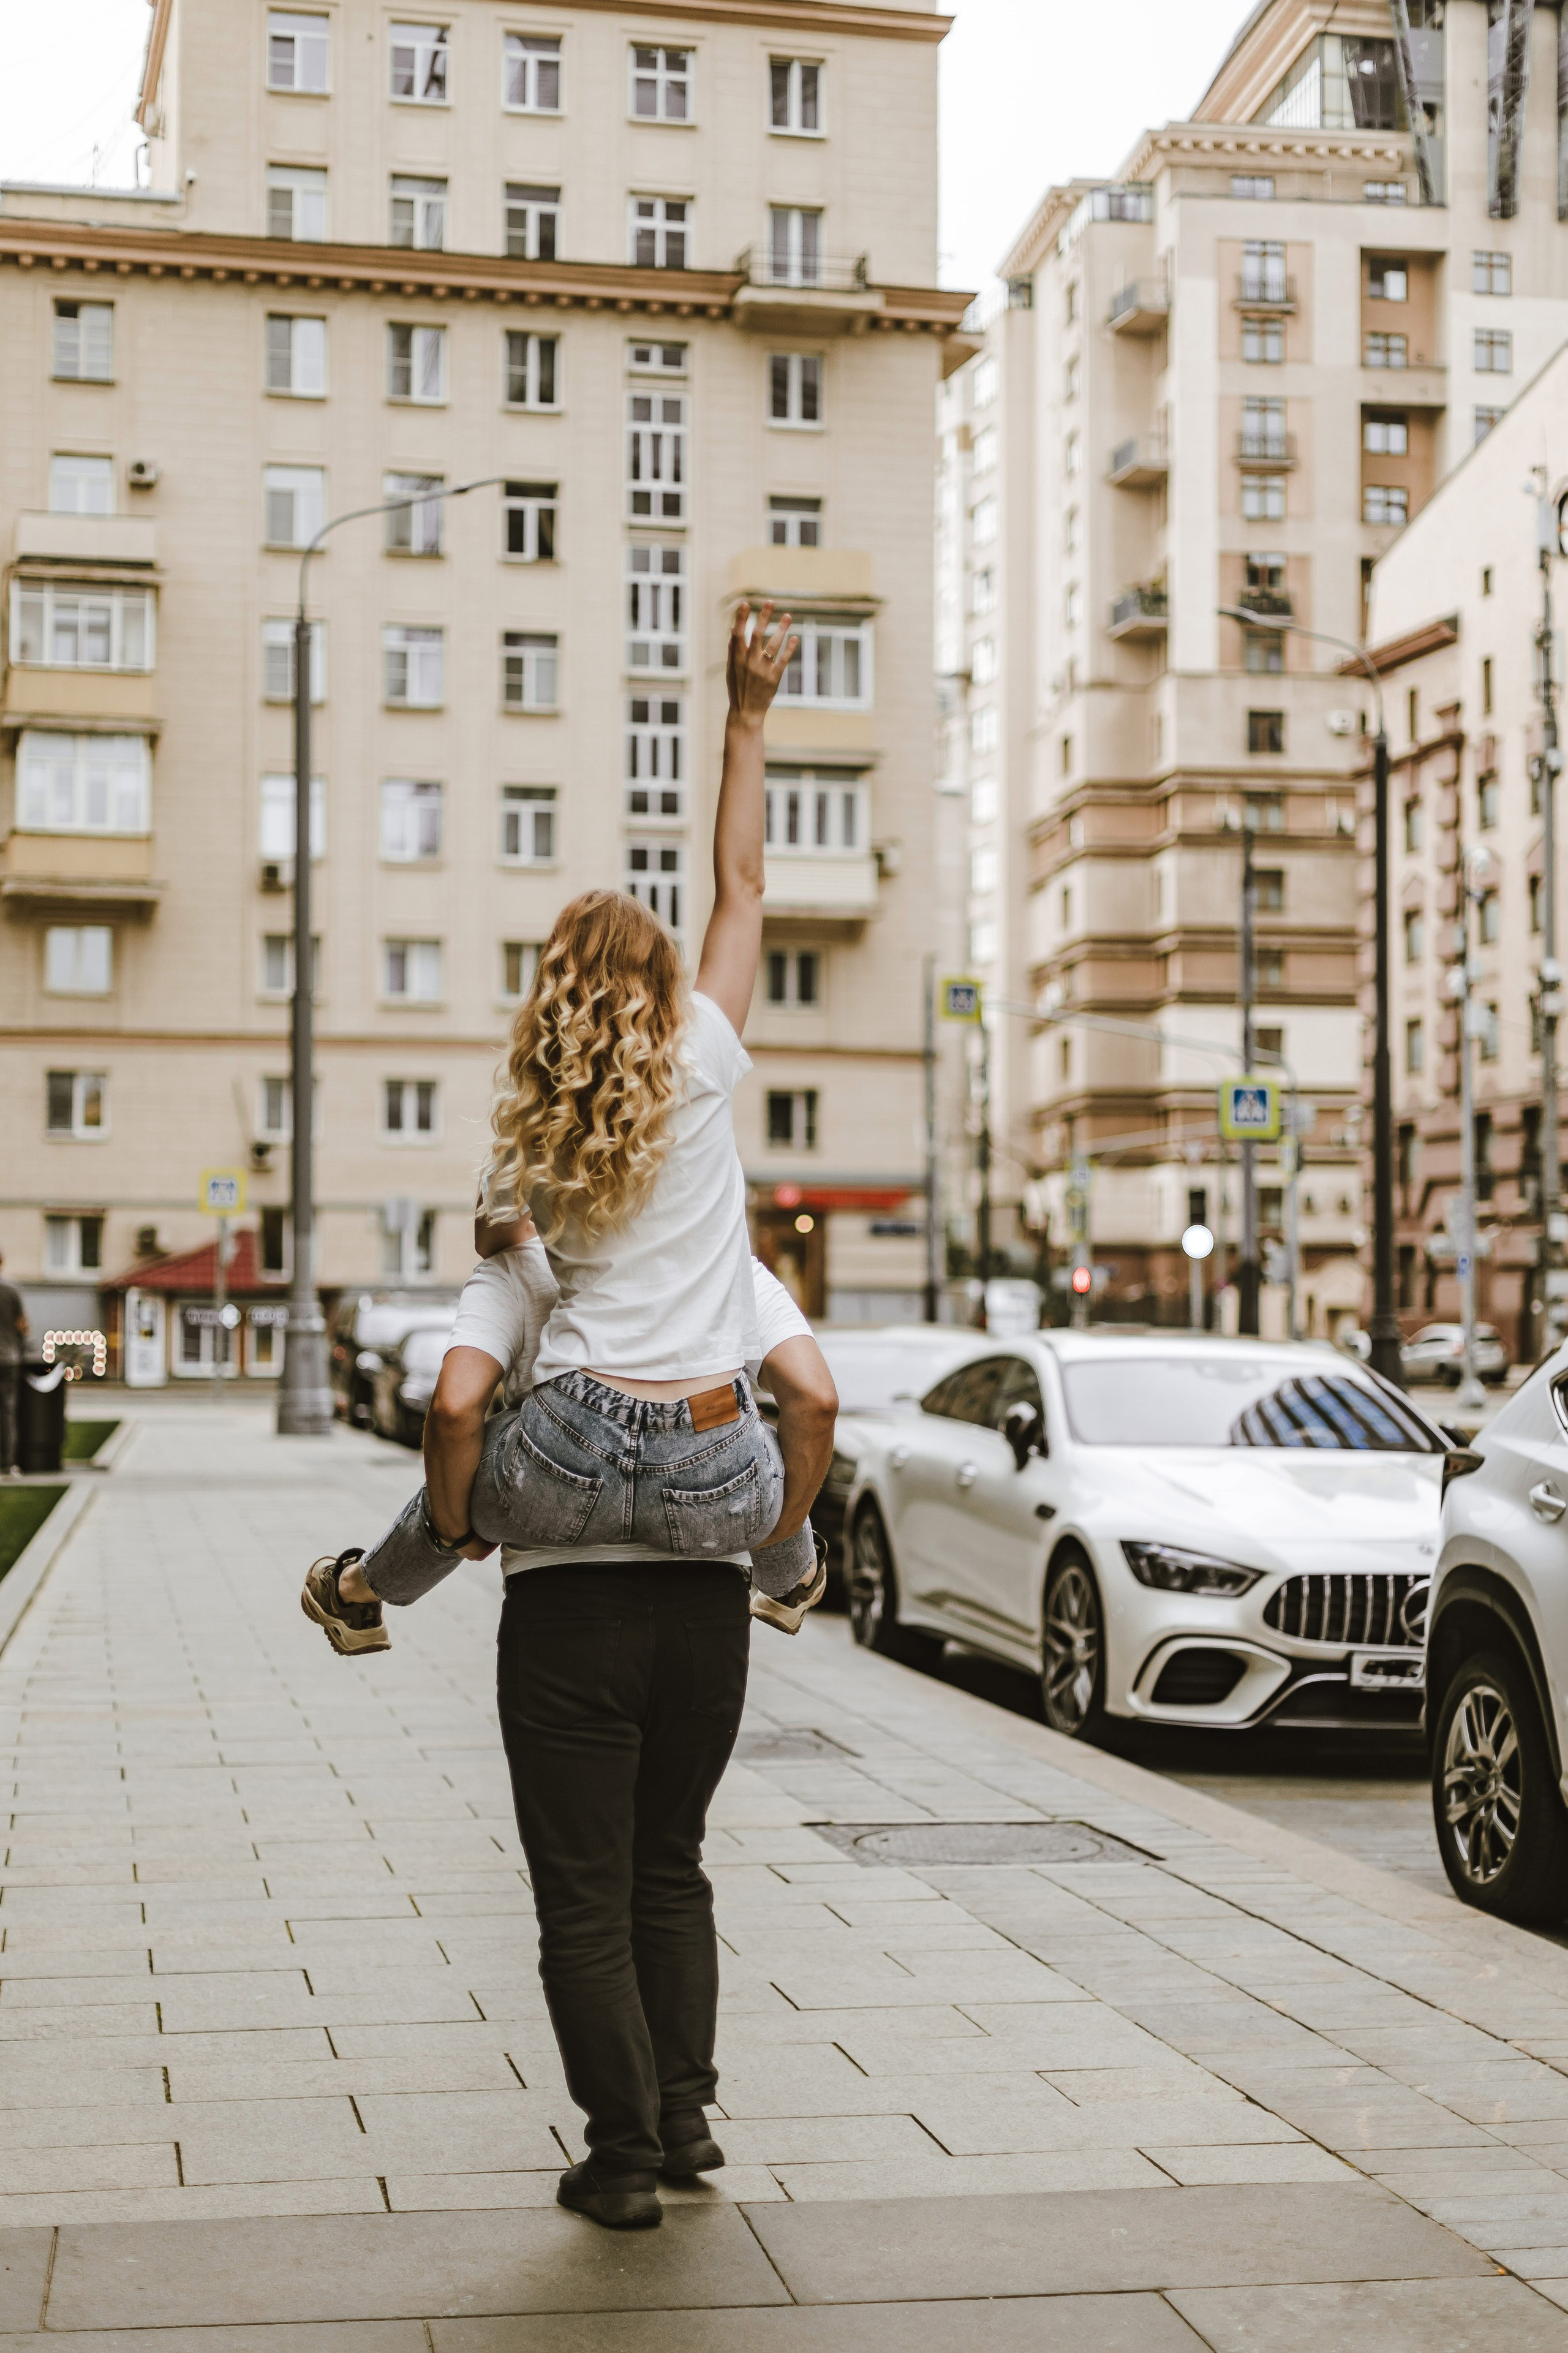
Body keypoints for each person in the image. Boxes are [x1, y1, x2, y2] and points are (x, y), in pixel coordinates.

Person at [306, 600, 834, 2232]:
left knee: (581, 1894)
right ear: (669, 1003)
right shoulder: (717, 1077)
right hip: (706, 1554)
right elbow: (810, 1391)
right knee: (673, 1865)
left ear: (549, 1007)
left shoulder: (525, 1171)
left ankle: (619, 2160)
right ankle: (685, 2126)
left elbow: (463, 1402)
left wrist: (459, 1522)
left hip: (568, 1577)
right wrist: (779, 1535)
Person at [0, 1251, 28, 1477]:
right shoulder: (11, 1290)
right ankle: (8, 1464)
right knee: (7, 1412)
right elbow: (22, 1325)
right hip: (8, 1359)